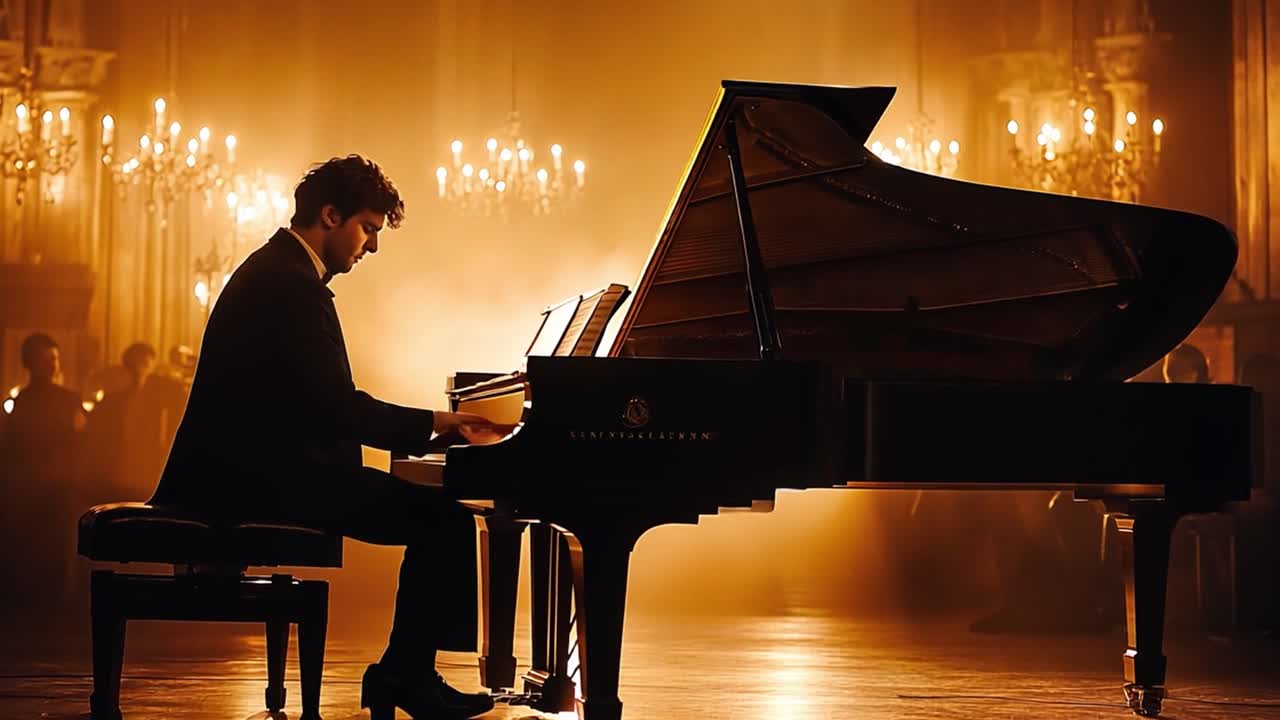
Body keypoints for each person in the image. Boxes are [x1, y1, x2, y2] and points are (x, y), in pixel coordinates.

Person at [151, 155, 499, 719]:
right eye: (368, 228)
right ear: (331, 216)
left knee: (438, 517)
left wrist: (426, 430)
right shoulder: (291, 285)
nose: (372, 246)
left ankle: (407, 672)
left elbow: (318, 404)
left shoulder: (281, 271)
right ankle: (406, 676)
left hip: (256, 471)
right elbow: (336, 407)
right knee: (443, 520)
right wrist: (438, 423)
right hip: (255, 484)